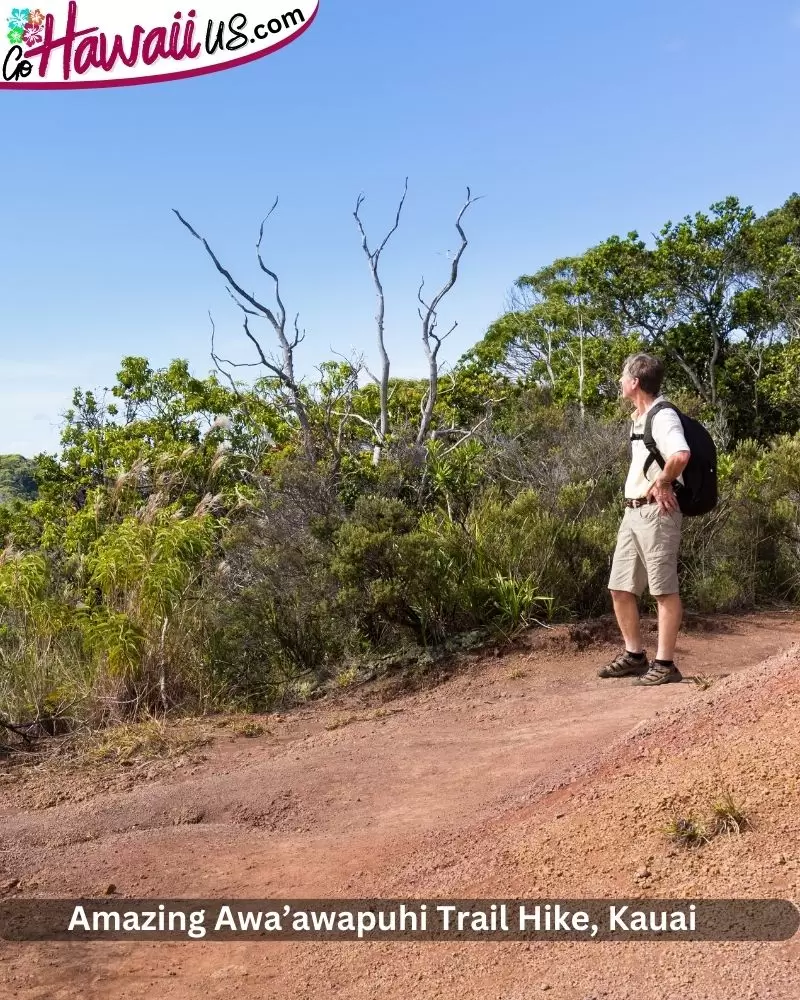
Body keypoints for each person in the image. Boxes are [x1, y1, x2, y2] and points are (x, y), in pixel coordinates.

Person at [599, 353, 691, 686]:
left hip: (657, 513)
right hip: (633, 511)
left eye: (623, 376)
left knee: (663, 591)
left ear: (635, 381)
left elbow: (681, 454)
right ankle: (635, 656)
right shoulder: (639, 418)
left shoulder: (662, 416)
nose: (620, 382)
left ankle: (665, 665)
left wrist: (665, 482)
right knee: (620, 587)